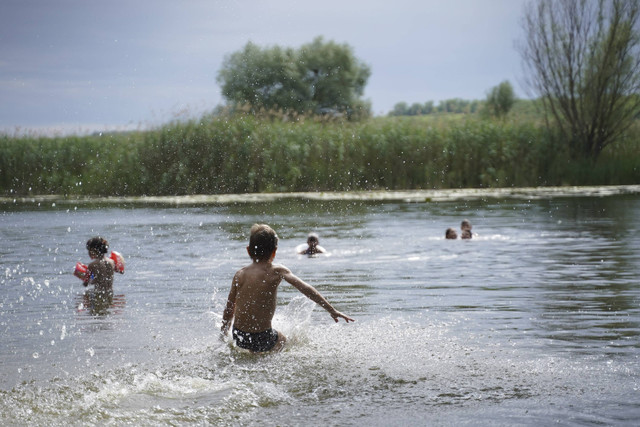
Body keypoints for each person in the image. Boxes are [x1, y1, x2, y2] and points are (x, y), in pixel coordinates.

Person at [221, 224, 354, 353]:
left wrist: (223, 334)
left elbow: (229, 308)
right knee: (283, 340)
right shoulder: (277, 271)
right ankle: (265, 362)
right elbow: (306, 288)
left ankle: (254, 353)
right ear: (274, 251)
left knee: (254, 343)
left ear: (248, 250)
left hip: (239, 336)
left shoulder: (240, 274)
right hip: (262, 337)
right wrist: (332, 310)